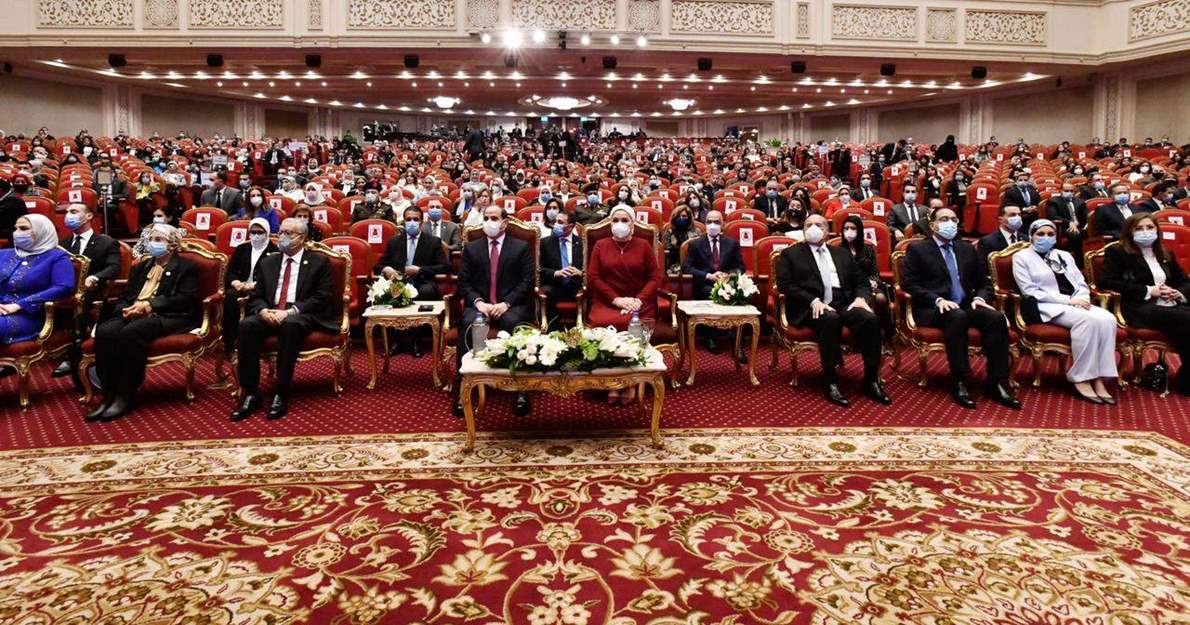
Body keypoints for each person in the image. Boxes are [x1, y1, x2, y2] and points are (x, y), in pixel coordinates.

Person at [901, 206, 1020, 409]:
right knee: (957, 316)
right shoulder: (918, 249)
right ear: (932, 225)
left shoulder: (966, 249)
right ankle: (960, 379)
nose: (950, 223)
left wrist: (981, 298)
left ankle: (996, 382)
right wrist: (937, 300)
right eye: (944, 219)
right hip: (935, 308)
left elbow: (984, 282)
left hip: (966, 303)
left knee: (996, 318)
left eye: (954, 219)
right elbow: (909, 283)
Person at [774, 214, 890, 406]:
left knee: (870, 320)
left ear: (827, 231)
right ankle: (830, 380)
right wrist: (813, 301)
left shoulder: (842, 254)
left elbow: (861, 280)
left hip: (843, 302)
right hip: (812, 305)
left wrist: (861, 298)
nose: (813, 228)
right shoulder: (791, 254)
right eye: (808, 225)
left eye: (818, 225)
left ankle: (871, 380)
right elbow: (785, 285)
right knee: (830, 319)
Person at [88, 223, 198, 422]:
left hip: (168, 315)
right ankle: (108, 393)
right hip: (134, 311)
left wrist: (149, 306)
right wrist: (124, 309)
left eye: (158, 240)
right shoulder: (141, 267)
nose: (152, 243)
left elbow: (185, 299)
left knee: (131, 333)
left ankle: (126, 394)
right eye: (151, 239)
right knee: (105, 331)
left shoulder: (186, 267)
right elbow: (127, 295)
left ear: (172, 245)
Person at [231, 218, 338, 421]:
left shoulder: (318, 262)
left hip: (300, 313)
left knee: (290, 325)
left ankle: (281, 391)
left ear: (302, 238)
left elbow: (322, 297)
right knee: (246, 325)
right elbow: (256, 295)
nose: (282, 237)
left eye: (288, 233)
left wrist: (290, 312)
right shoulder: (268, 262)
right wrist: (263, 311)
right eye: (280, 232)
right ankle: (251, 393)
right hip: (271, 311)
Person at [1012, 219, 1117, 403]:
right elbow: (1029, 291)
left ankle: (1099, 377)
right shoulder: (1021, 257)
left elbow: (1081, 283)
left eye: (1050, 234)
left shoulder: (1064, 255)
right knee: (1087, 321)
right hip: (1046, 305)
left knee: (1108, 319)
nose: (1045, 237)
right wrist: (1069, 301)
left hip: (1076, 303)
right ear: (1031, 236)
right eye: (1040, 234)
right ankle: (1081, 376)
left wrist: (1083, 299)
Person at [452, 205, 535, 417]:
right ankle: (463, 385)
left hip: (510, 305)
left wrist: (506, 303)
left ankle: (520, 387)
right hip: (480, 305)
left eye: (494, 218)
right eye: (486, 217)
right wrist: (479, 302)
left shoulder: (520, 247)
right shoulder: (472, 248)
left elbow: (527, 281)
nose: (490, 222)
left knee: (513, 323)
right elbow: (463, 282)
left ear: (504, 222)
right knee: (470, 323)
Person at [1100, 213, 1190, 395]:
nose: (1146, 231)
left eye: (1150, 227)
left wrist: (1178, 293)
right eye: (1139, 228)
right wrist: (1148, 290)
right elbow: (1107, 282)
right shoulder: (1118, 252)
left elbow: (1184, 281)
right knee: (1187, 319)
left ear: (1157, 230)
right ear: (1130, 232)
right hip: (1138, 307)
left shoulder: (1165, 253)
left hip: (1170, 304)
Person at [586, 206, 661, 403]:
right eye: (615, 220)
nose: (620, 224)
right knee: (604, 324)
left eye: (624, 220)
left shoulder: (643, 245)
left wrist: (638, 300)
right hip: (608, 302)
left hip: (639, 303)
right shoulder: (600, 245)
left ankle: (630, 381)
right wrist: (617, 300)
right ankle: (610, 379)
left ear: (633, 225)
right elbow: (593, 278)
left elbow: (655, 278)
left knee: (632, 326)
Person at [52, 203, 121, 379]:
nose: (68, 215)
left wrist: (95, 277)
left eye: (73, 211)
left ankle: (75, 353)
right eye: (67, 212)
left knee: (80, 303)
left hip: (93, 291)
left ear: (89, 216)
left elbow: (113, 267)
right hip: (65, 289)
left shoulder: (106, 242)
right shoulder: (61, 244)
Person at [374, 206, 450, 357]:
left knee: (426, 291)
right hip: (399, 282)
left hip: (423, 281)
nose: (412, 222)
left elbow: (445, 267)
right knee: (390, 292)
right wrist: (386, 269)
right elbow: (378, 266)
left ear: (421, 222)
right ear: (404, 221)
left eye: (416, 219)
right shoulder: (394, 242)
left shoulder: (433, 242)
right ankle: (398, 341)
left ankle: (417, 340)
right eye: (408, 219)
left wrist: (420, 270)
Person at [0, 215, 75, 356]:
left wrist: (19, 305)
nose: (16, 233)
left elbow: (64, 287)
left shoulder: (56, 256)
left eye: (23, 228)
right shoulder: (3, 254)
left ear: (42, 231)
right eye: (15, 228)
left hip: (30, 315)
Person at [681, 210, 746, 357]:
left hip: (727, 283)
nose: (712, 225)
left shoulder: (732, 243)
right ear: (704, 224)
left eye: (716, 222)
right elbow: (687, 267)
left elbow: (740, 267)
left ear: (722, 224)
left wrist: (727, 275)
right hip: (705, 284)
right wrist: (708, 276)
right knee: (709, 292)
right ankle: (711, 337)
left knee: (739, 294)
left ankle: (736, 341)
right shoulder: (696, 244)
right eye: (709, 221)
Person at [222, 217, 278, 355]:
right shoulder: (242, 248)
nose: (256, 235)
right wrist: (236, 282)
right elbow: (231, 272)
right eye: (253, 232)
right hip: (240, 287)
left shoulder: (274, 251)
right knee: (230, 296)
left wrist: (253, 285)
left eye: (260, 232)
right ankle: (230, 342)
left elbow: (273, 277)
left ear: (267, 233)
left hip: (260, 289)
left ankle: (249, 342)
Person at [539, 211, 583, 329]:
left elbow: (591, 268)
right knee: (546, 291)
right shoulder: (545, 243)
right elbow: (539, 269)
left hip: (575, 285)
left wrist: (581, 273)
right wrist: (555, 273)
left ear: (570, 226)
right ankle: (552, 330)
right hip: (554, 285)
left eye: (560, 222)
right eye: (555, 222)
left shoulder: (582, 243)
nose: (555, 225)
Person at [1043, 182, 1087, 262]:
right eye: (1066, 191)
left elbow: (1085, 216)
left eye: (1071, 191)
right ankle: (1078, 261)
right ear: (1061, 191)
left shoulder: (1080, 201)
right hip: (1064, 227)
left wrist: (1085, 225)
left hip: (1079, 226)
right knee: (1076, 234)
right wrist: (1069, 222)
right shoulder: (1053, 201)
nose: (1069, 193)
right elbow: (1053, 216)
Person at [661, 205, 700, 272]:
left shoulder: (696, 232)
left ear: (689, 218)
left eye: (684, 216)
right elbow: (667, 251)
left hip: (693, 263)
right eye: (678, 216)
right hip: (675, 263)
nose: (681, 218)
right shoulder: (669, 232)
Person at [0, 175, 29, 241]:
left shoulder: (12, 200)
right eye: (17, 182)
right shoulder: (9, 196)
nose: (20, 184)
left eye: (23, 182)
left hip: (14, 229)